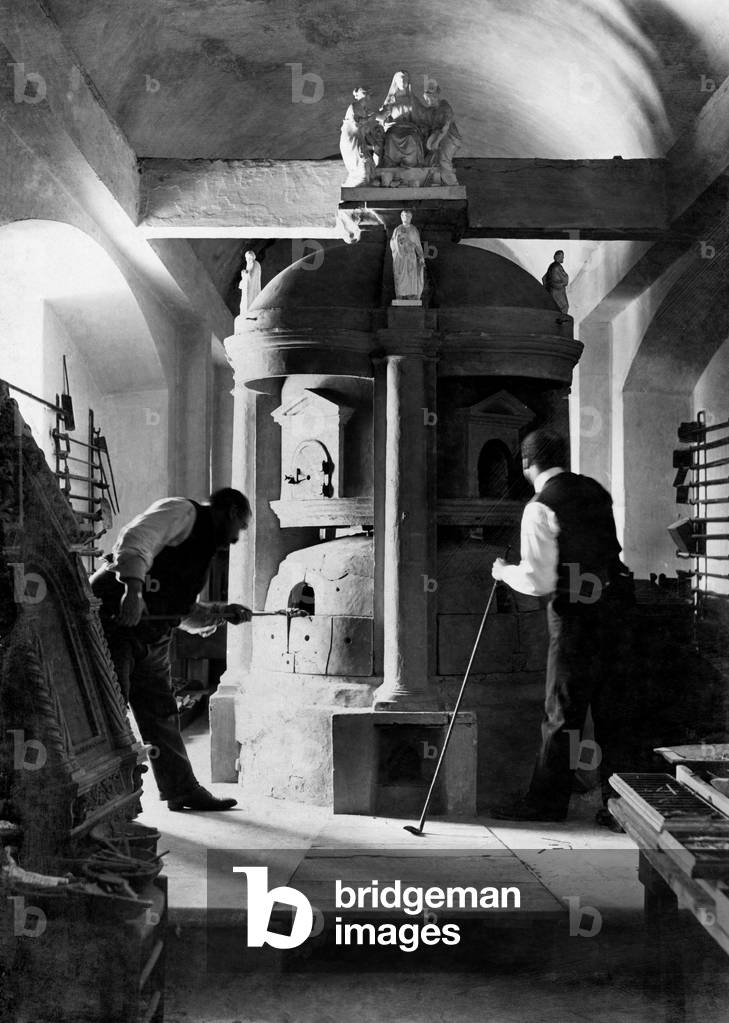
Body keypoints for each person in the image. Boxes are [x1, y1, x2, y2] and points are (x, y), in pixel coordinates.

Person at [490, 429, 631, 826]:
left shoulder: (539, 507)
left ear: (525, 464)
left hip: (576, 618)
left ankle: (546, 805)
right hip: (617, 609)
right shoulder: (595, 490)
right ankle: (623, 808)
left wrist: (504, 572)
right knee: (613, 710)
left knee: (563, 713)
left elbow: (538, 581)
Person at [90, 488, 253, 812]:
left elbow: (178, 607)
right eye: (241, 526)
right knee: (107, 711)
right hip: (113, 622)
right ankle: (104, 803)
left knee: (162, 714)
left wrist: (220, 613)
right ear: (232, 512)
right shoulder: (182, 512)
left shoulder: (203, 547)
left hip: (151, 635)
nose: (237, 538)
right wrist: (133, 592)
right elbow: (135, 539)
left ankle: (181, 791)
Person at [377, 70, 429, 169]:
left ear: (408, 82)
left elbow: (421, 114)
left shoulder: (412, 99)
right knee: (391, 137)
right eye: (400, 80)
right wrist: (381, 117)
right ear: (396, 82)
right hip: (394, 128)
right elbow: (383, 116)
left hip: (410, 128)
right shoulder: (391, 100)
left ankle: (411, 165)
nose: (403, 82)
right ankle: (391, 165)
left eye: (405, 80)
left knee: (411, 137)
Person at [422, 81, 461, 185]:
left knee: (443, 160)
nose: (427, 101)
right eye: (426, 99)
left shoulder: (444, 107)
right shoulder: (432, 110)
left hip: (449, 137)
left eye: (429, 98)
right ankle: (437, 181)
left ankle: (453, 185)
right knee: (430, 160)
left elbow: (445, 127)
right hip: (437, 137)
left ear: (435, 96)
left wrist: (436, 142)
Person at [390, 210, 425, 300]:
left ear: (411, 218)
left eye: (408, 216)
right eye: (405, 216)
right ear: (401, 217)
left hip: (411, 257)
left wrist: (421, 256)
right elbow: (392, 243)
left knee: (411, 276)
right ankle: (400, 295)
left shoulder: (414, 230)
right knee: (400, 276)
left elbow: (418, 244)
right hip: (400, 257)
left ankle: (411, 296)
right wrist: (399, 244)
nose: (406, 218)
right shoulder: (397, 230)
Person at [542, 250, 570, 322]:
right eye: (562, 256)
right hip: (558, 291)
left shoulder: (551, 266)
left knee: (556, 307)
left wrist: (547, 288)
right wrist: (562, 283)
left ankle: (558, 321)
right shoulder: (558, 267)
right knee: (564, 306)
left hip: (552, 290)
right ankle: (560, 321)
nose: (563, 258)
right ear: (557, 257)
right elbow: (565, 280)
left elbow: (544, 278)